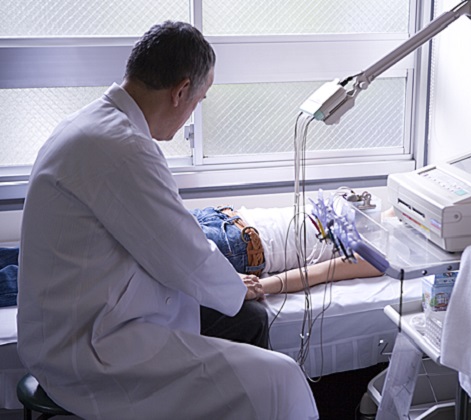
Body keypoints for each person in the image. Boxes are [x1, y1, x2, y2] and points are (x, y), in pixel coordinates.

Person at [17, 21, 318, 420]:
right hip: (87, 346)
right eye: (199, 100)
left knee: (248, 319)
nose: (194, 111)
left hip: (75, 318)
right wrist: (233, 286)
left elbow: (169, 235)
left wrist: (229, 288)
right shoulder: (122, 147)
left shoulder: (93, 124)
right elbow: (181, 250)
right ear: (180, 92)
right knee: (280, 378)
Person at [189, 205, 383, 294]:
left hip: (240, 245)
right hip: (218, 215)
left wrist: (260, 287)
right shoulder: (375, 211)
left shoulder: (380, 255)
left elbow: (317, 273)